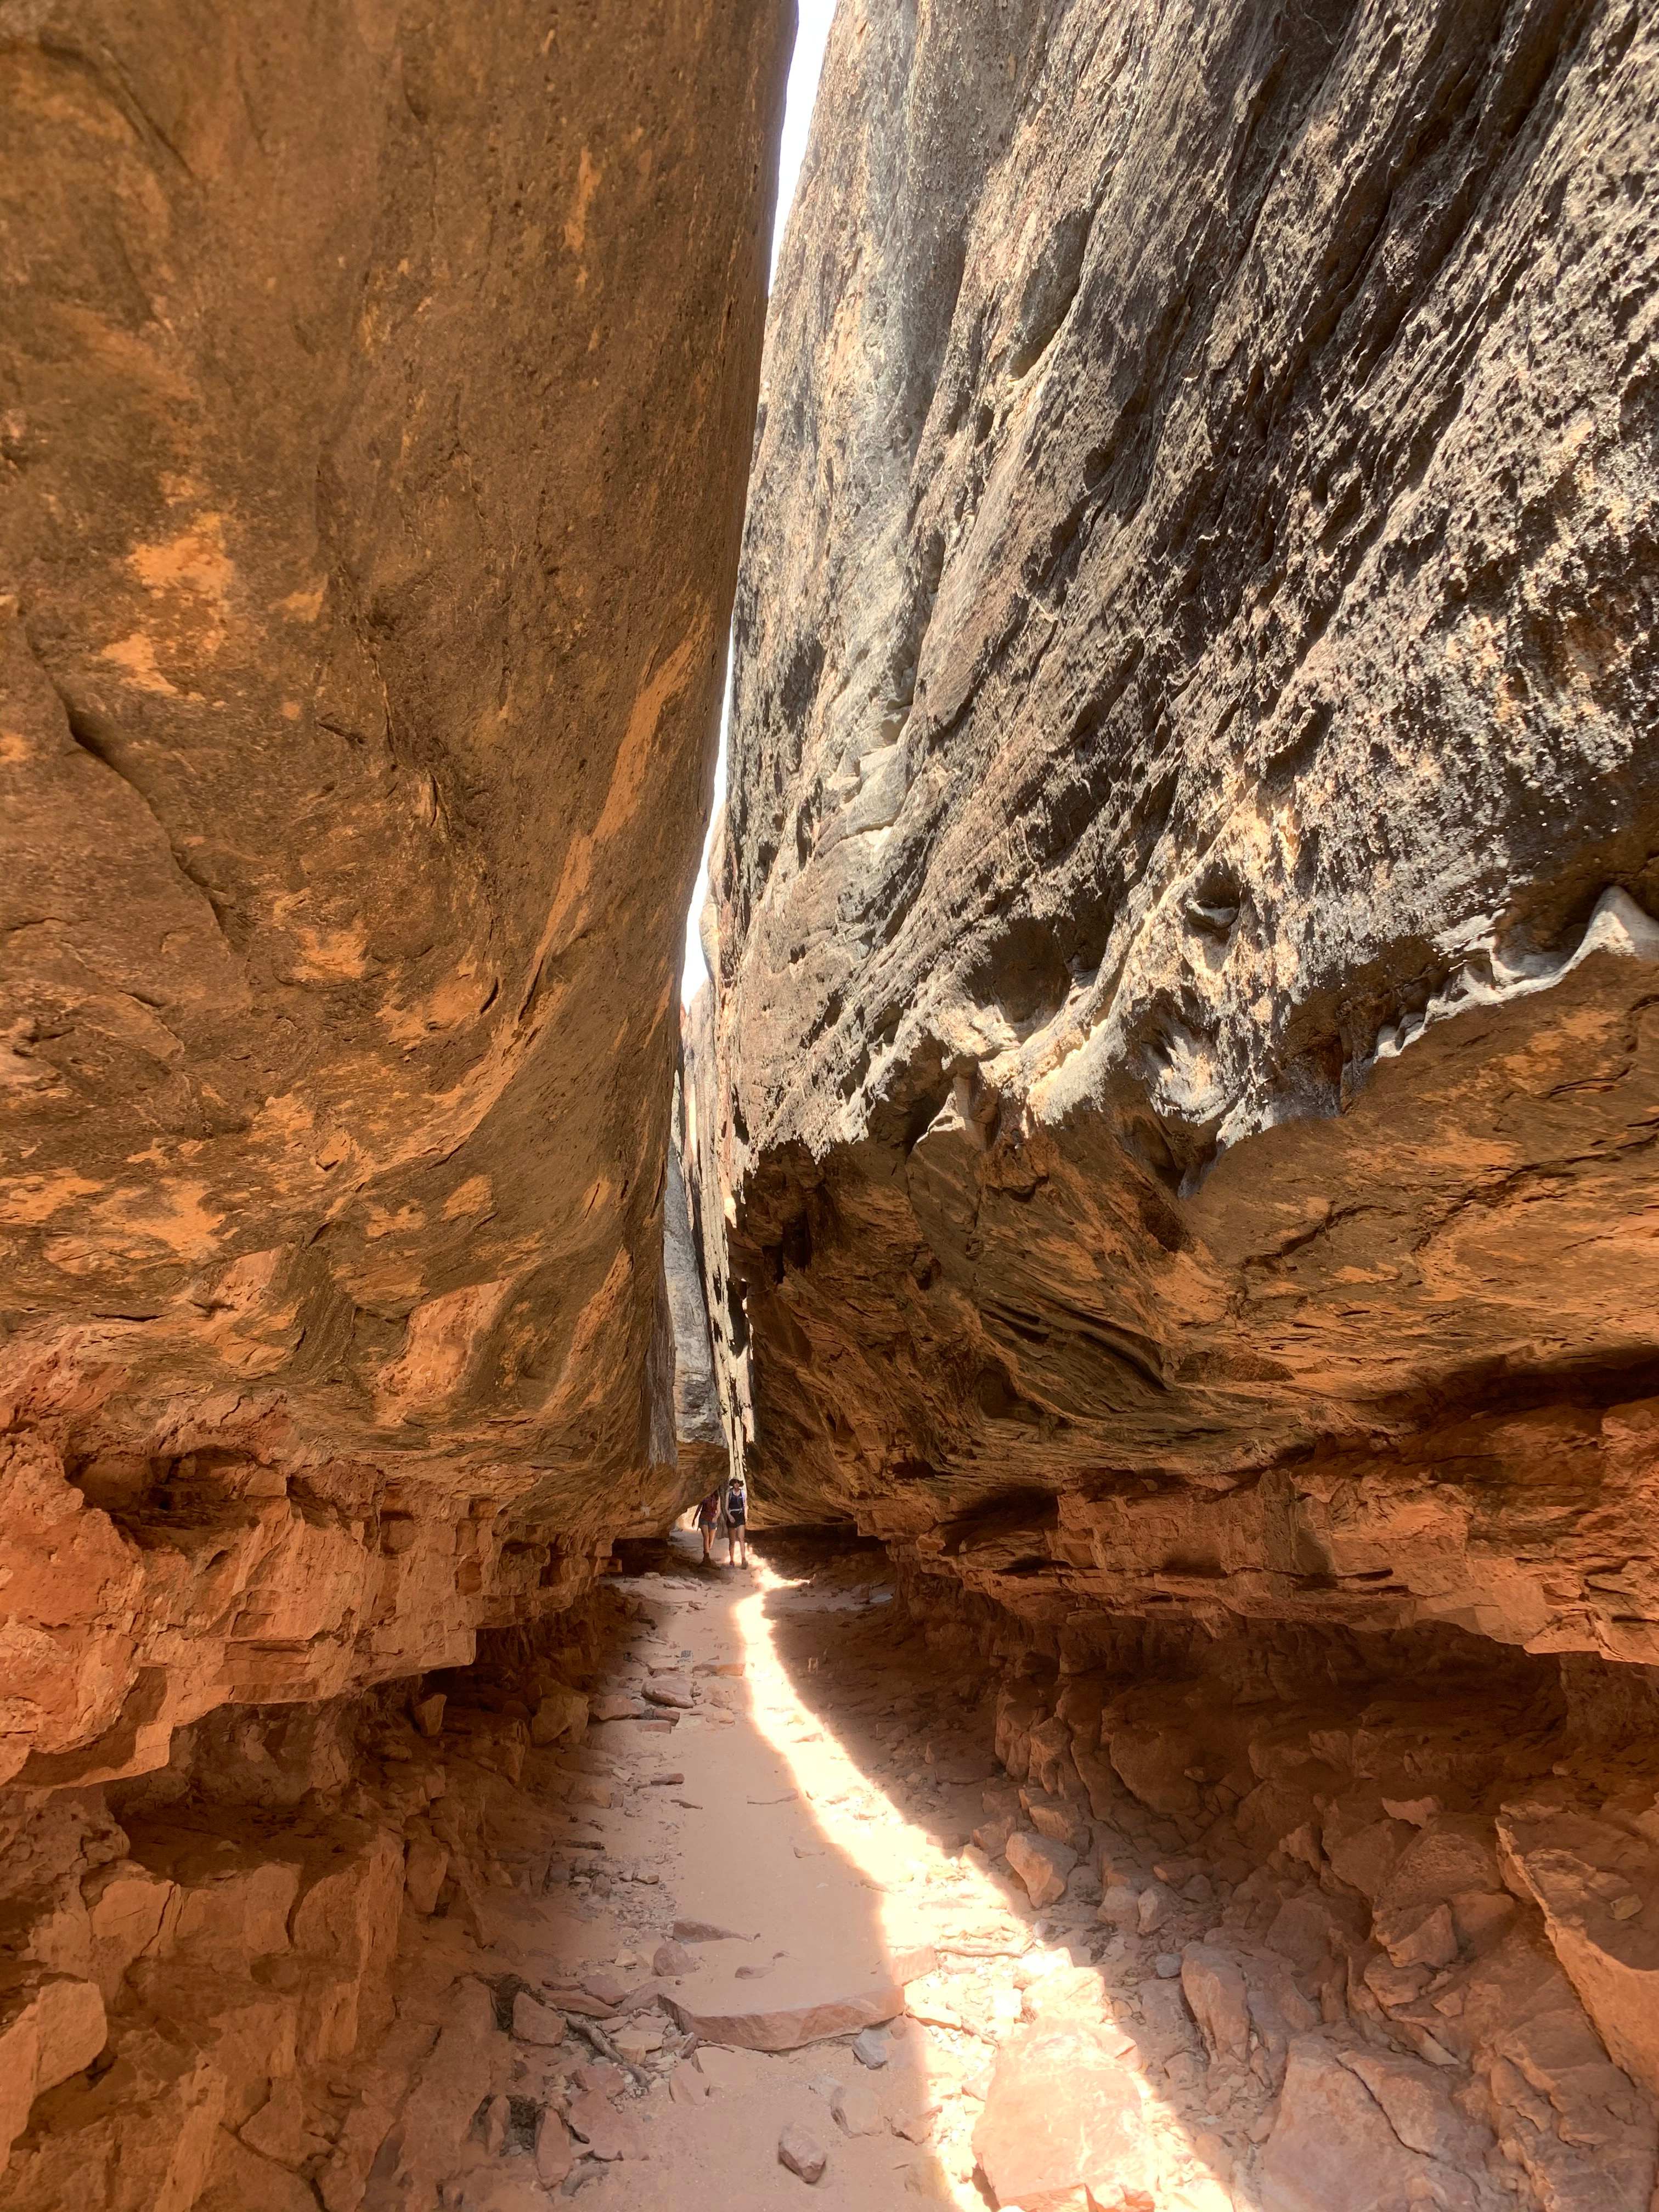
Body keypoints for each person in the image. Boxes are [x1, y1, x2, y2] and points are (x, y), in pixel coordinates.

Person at [724, 1474, 749, 1568]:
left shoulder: (743, 1493)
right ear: (733, 1484)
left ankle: (743, 1559)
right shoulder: (729, 1494)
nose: (736, 1484)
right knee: (732, 1541)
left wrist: (745, 1516)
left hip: (740, 1517)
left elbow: (745, 1505)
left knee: (742, 1539)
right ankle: (732, 1560)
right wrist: (729, 1516)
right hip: (732, 1517)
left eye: (738, 1482)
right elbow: (726, 1508)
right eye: (735, 1482)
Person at [694, 1486, 723, 1564]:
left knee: (710, 1542)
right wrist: (694, 1518)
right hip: (704, 1517)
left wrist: (716, 1517)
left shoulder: (717, 1497)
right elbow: (699, 1507)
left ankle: (707, 1552)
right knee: (706, 1537)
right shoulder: (705, 1495)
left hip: (712, 1519)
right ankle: (706, 1555)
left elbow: (719, 1510)